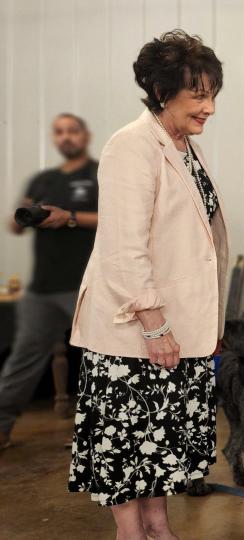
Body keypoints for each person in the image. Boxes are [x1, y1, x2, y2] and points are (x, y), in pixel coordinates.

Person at [67, 30, 228, 540]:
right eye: (199, 95)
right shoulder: (131, 146)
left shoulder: (181, 146)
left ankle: (158, 527)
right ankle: (132, 534)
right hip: (135, 333)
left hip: (176, 326)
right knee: (128, 443)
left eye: (213, 95)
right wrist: (156, 326)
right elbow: (123, 249)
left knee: (156, 445)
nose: (210, 109)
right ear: (163, 92)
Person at [0, 113, 99, 448]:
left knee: (100, 360)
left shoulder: (99, 173)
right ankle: (1, 426)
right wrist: (22, 216)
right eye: (59, 132)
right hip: (42, 289)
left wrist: (68, 217)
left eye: (72, 131)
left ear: (85, 136)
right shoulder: (41, 179)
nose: (65, 137)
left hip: (87, 286)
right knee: (23, 360)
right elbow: (15, 225)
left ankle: (102, 432)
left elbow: (116, 217)